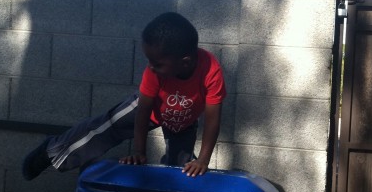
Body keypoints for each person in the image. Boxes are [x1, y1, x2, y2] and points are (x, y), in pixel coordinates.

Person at [22, 12, 226, 180]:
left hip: (184, 121)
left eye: (158, 63)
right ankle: (53, 151)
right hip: (149, 108)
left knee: (183, 169)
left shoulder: (211, 70)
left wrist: (203, 161)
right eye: (149, 61)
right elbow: (143, 111)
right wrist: (139, 151)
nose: (150, 67)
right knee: (106, 127)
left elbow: (212, 121)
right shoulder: (153, 72)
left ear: (185, 62)